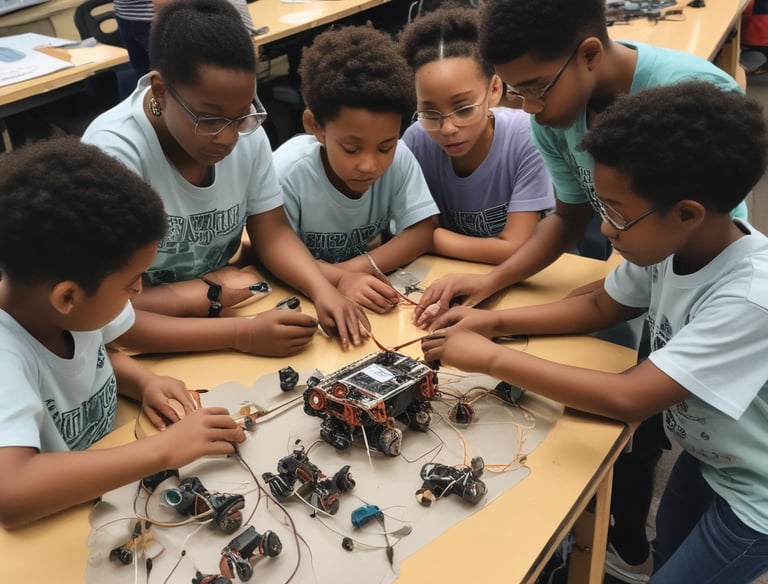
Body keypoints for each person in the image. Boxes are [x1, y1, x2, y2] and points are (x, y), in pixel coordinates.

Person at [411, 1, 748, 580]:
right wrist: (491, 313)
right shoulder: (661, 253)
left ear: (589, 54)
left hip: (750, 487)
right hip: (712, 451)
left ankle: (622, 542)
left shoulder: (731, 282)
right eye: (514, 92)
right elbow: (588, 267)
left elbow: (631, 394)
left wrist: (493, 356)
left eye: (535, 89)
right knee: (671, 508)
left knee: (639, 446)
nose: (529, 108)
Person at [83, 0, 368, 357]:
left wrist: (323, 289)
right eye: (210, 120)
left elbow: (273, 233)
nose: (229, 138)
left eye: (242, 115)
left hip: (220, 306)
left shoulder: (245, 133)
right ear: (160, 91)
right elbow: (107, 318)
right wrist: (238, 332)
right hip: (145, 349)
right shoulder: (114, 154)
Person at [0, 137, 246, 528]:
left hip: (111, 483)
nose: (139, 291)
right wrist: (163, 450)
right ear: (67, 297)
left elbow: (88, 362)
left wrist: (142, 380)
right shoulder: (6, 356)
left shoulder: (68, 311)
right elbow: (12, 493)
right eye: (131, 281)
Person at [273, 25, 439, 314]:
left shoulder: (400, 159)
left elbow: (422, 231)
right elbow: (270, 255)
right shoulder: (287, 172)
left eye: (385, 147)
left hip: (355, 291)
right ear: (316, 126)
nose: (369, 165)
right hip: (304, 298)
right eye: (351, 149)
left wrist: (351, 271)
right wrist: (340, 279)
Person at [399, 6, 554, 265]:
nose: (448, 128)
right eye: (429, 113)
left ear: (494, 89)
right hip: (448, 274)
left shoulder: (527, 136)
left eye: (464, 109)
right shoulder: (416, 141)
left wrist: (423, 239)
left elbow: (517, 248)